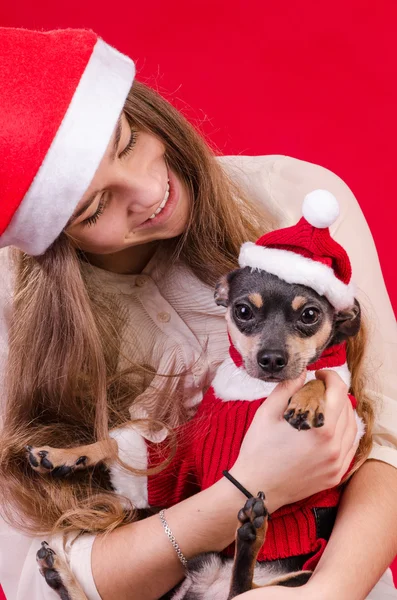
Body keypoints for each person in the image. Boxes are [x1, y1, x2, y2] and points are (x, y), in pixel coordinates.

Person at [0, 26, 396, 600]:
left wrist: (321, 594)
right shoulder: (14, 314)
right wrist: (241, 493)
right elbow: (39, 578)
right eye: (93, 209)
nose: (146, 188)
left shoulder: (295, 201)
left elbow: (387, 441)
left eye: (127, 140)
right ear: (51, 238)